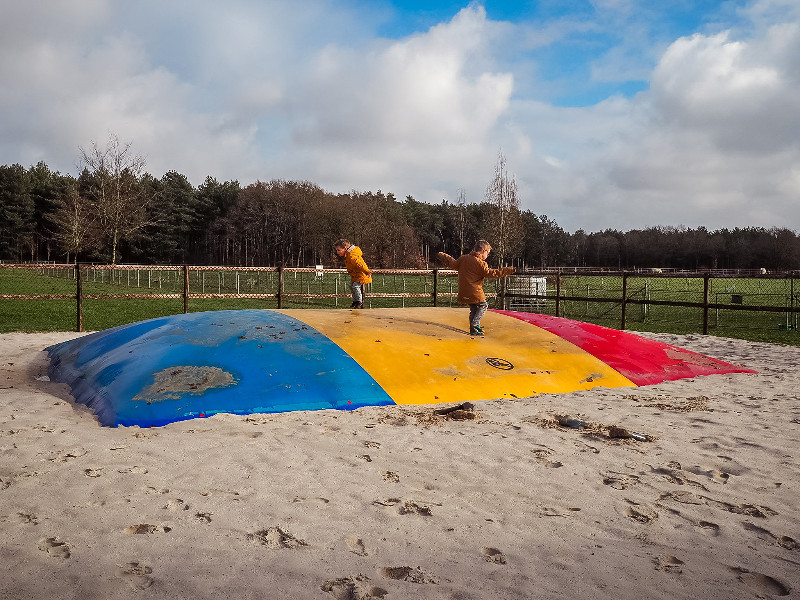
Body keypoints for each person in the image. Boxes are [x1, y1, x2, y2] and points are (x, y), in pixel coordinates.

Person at [438, 240, 515, 336]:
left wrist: (442, 255)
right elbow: (493, 273)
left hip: (463, 292)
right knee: (483, 305)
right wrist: (509, 270)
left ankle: (473, 330)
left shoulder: (463, 259)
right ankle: (475, 324)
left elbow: (453, 263)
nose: (488, 255)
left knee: (474, 309)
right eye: (488, 253)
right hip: (474, 292)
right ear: (483, 251)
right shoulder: (480, 264)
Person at [335, 239, 372, 309]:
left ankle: (359, 301)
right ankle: (355, 301)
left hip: (361, 275)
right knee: (352, 286)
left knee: (355, 286)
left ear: (345, 248)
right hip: (355, 275)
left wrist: (367, 271)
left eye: (339, 250)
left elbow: (361, 264)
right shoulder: (348, 255)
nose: (337, 252)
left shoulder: (352, 256)